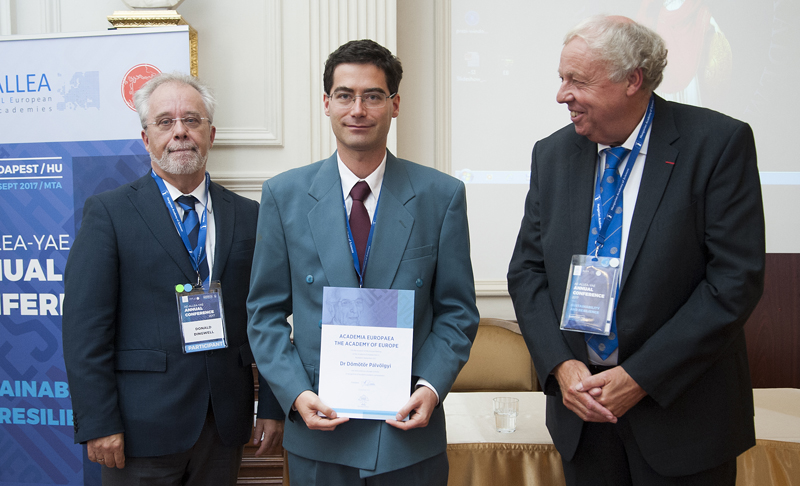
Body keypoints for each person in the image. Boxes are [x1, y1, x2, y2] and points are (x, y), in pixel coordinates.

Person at [507, 15, 764, 485]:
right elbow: (526, 272)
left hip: (682, 418)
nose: (562, 94)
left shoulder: (717, 144)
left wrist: (640, 377)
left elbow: (733, 282)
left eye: (577, 81)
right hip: (582, 415)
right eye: (562, 78)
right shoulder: (553, 154)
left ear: (633, 80)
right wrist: (561, 367)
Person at [247, 39, 480, 485]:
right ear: (326, 103)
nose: (358, 109)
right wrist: (296, 393)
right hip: (320, 432)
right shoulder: (284, 195)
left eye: (373, 96)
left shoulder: (441, 196)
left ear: (394, 105)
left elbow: (457, 311)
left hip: (408, 433)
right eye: (345, 95)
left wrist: (430, 388)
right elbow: (264, 314)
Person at [62, 72, 284, 485]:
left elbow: (265, 319)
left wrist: (271, 406)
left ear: (211, 134)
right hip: (137, 429)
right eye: (165, 122)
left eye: (192, 120)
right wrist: (98, 421)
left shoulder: (250, 216)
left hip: (224, 426)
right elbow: (84, 329)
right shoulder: (108, 214)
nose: (180, 132)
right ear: (146, 138)